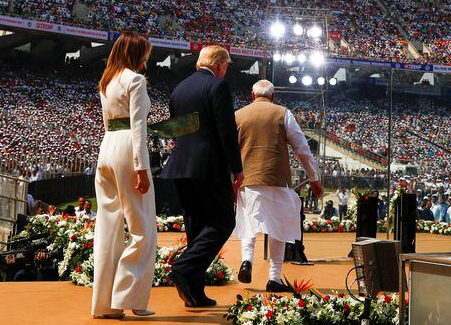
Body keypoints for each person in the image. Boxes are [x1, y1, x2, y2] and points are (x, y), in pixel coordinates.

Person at [160, 45, 243, 309]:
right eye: (227, 65)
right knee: (222, 222)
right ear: (219, 64)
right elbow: (226, 131)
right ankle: (184, 267)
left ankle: (194, 293)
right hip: (209, 167)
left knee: (196, 228)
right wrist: (237, 168)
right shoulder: (217, 87)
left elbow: (175, 128)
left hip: (181, 167)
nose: (226, 70)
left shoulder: (179, 89)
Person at [232, 80, 323, 292]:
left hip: (248, 179)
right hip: (277, 179)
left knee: (249, 222)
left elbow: (230, 153)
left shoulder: (238, 115)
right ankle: (274, 277)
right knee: (278, 228)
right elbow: (302, 148)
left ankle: (247, 260)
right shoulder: (283, 113)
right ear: (273, 97)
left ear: (252, 95)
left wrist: (231, 183)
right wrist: (314, 178)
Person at [91, 32, 157, 319]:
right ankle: (130, 298)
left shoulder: (107, 81)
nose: (147, 59)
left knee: (108, 228)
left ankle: (104, 305)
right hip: (129, 149)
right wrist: (142, 167)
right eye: (145, 53)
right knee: (143, 228)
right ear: (137, 53)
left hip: (107, 147)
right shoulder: (135, 80)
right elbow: (138, 127)